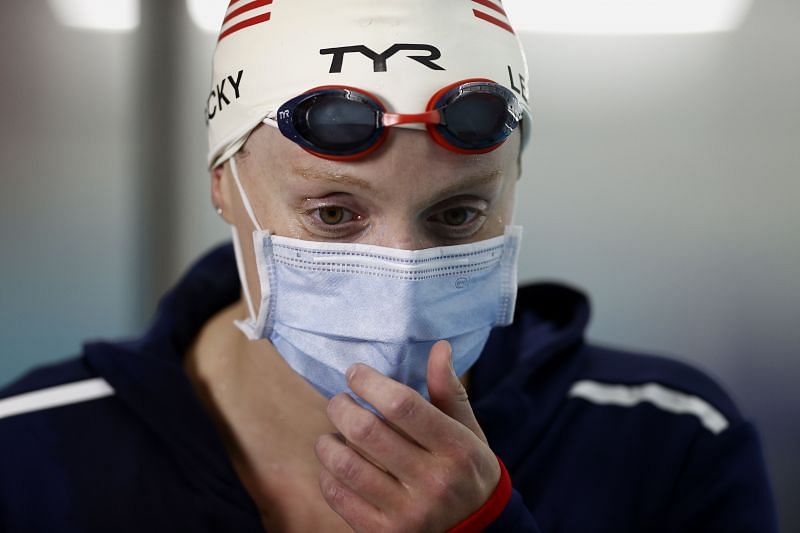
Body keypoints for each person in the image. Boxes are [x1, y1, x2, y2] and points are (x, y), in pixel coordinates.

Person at [0, 1, 778, 531]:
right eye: (335, 213)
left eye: (457, 215)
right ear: (223, 184)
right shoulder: (30, 453)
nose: (400, 276)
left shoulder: (664, 442)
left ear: (512, 189)